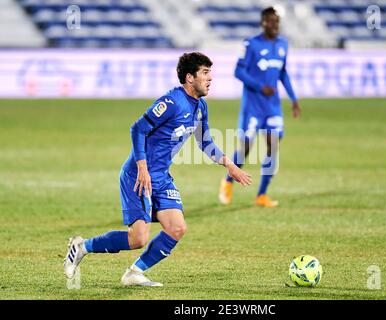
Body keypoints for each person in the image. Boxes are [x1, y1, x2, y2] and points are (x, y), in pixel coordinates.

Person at [64, 52, 252, 287]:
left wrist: (230, 165)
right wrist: (142, 167)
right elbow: (138, 129)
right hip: (137, 175)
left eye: (210, 73)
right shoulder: (172, 102)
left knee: (177, 227)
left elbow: (204, 142)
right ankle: (81, 247)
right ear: (189, 77)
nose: (210, 78)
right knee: (138, 238)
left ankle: (134, 272)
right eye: (205, 73)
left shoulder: (200, 106)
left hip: (161, 177)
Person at [219, 6, 301, 208]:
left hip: (272, 107)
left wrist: (293, 98)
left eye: (277, 22)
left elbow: (282, 72)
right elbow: (238, 71)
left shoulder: (283, 44)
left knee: (273, 147)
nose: (274, 25)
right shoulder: (251, 44)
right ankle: (228, 181)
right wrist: (259, 86)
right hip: (253, 106)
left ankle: (261, 195)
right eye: (270, 21)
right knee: (246, 148)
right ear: (263, 22)